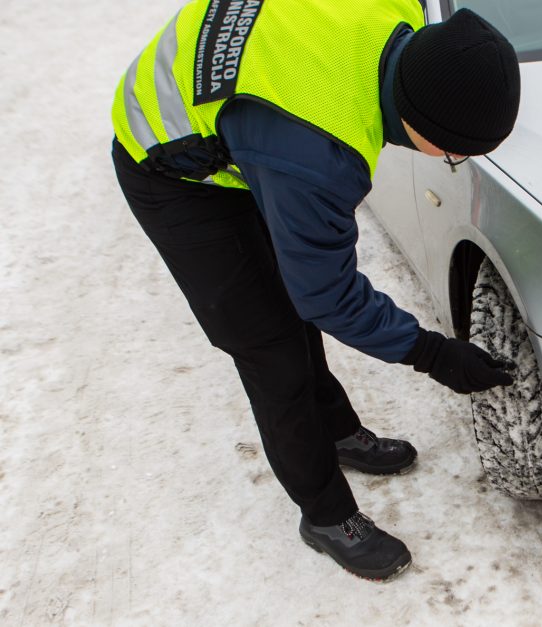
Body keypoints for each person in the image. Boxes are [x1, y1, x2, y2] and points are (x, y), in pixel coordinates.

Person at [111, 0, 521, 582]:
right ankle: (326, 518)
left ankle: (336, 432)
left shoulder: (392, 13)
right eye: (455, 153)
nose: (452, 162)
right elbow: (327, 295)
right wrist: (432, 354)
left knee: (290, 304)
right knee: (271, 349)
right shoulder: (319, 154)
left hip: (248, 122)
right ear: (420, 125)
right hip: (172, 166)